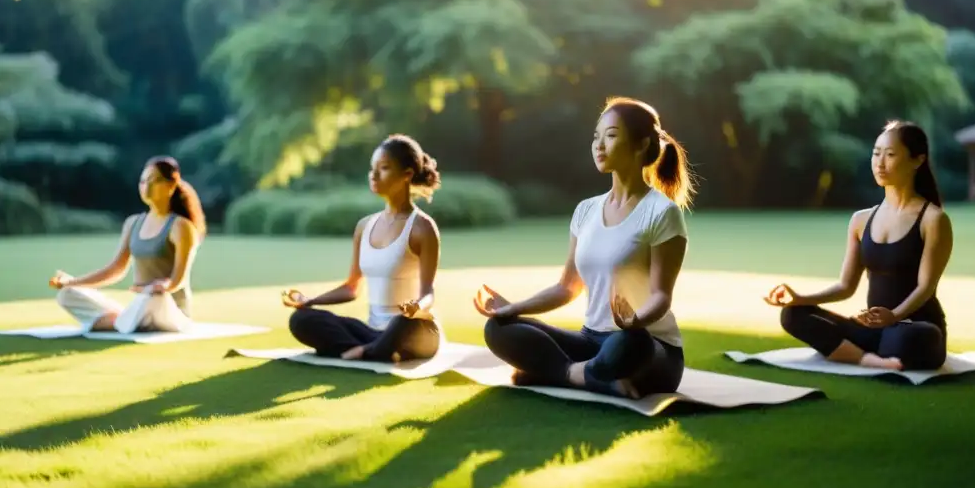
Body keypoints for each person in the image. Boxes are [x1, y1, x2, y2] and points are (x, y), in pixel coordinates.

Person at [476, 97, 694, 399]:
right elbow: (567, 287)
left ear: (642, 144)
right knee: (498, 329)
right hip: (591, 341)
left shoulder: (662, 212)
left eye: (611, 135)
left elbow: (661, 296)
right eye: (596, 136)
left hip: (647, 347)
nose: (599, 145)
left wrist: (635, 321)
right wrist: (514, 308)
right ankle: (583, 375)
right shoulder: (585, 210)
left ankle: (558, 373)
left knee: (632, 343)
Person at [765, 120, 953, 371]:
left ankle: (867, 354)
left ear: (917, 160)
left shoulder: (933, 219)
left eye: (890, 154)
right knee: (793, 314)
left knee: (915, 336)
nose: (880, 162)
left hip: (913, 326)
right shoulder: (861, 220)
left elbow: (925, 287)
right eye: (876, 154)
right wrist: (800, 298)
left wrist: (895, 316)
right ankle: (869, 360)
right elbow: (845, 286)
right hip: (873, 330)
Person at [283, 134, 443, 363]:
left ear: (407, 175)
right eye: (373, 168)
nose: (374, 175)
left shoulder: (422, 227)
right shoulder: (364, 226)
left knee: (400, 321)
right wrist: (309, 301)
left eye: (384, 168)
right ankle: (374, 351)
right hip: (373, 331)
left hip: (414, 331)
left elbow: (428, 292)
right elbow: (351, 288)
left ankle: (369, 351)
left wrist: (416, 307)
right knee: (302, 319)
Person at [49, 156, 207, 333]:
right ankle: (126, 322)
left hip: (168, 308)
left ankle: (120, 322)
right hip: (140, 307)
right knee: (67, 295)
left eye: (154, 181)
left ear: (171, 185)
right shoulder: (133, 223)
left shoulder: (181, 226)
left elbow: (178, 280)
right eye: (143, 181)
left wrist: (160, 286)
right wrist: (72, 282)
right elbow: (115, 269)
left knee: (153, 297)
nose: (147, 187)